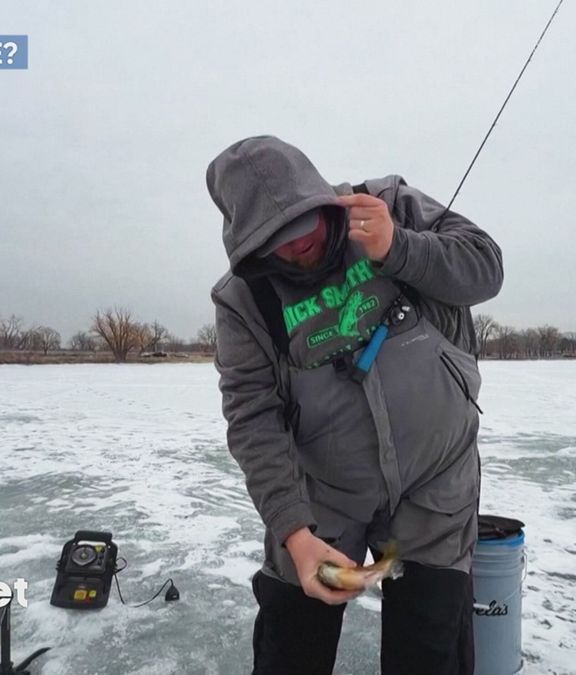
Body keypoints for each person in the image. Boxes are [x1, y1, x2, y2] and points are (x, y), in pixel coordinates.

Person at [207, 135, 503, 674]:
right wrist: (293, 533)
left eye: (307, 227)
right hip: (323, 494)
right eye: (280, 241)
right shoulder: (242, 299)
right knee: (290, 650)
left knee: (429, 654)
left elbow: (486, 269)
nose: (300, 246)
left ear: (322, 201)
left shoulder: (391, 204)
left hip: (435, 482)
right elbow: (253, 418)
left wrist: (400, 249)